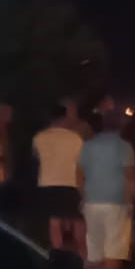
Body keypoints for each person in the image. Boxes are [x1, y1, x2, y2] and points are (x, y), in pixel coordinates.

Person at [77, 111, 135, 269]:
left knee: (95, 250)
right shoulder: (123, 146)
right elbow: (131, 177)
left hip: (91, 202)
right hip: (116, 202)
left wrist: (82, 197)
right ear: (121, 126)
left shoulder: (87, 146)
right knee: (114, 251)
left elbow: (79, 175)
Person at [35, 104, 88, 256]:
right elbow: (80, 165)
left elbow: (37, 158)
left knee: (55, 223)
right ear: (63, 118)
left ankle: (58, 257)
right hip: (70, 184)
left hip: (47, 184)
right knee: (78, 222)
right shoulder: (75, 139)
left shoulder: (39, 138)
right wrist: (83, 189)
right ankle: (83, 256)